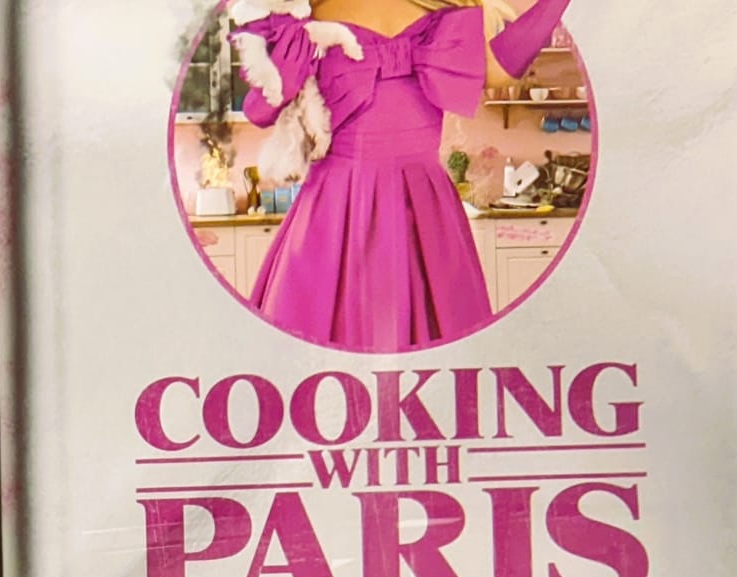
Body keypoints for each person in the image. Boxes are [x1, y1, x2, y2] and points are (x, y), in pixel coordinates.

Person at [232, 0, 576, 353]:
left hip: (367, 203)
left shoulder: (323, 16)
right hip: (367, 205)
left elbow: (260, 109)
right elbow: (260, 110)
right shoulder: (317, 16)